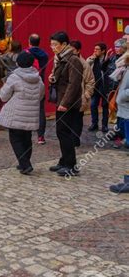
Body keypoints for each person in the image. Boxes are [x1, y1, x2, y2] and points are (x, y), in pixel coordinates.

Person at [0, 51, 44, 174]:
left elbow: (3, 96)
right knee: (26, 138)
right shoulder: (38, 78)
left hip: (16, 114)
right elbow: (40, 95)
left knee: (15, 139)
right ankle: (24, 162)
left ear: (18, 63)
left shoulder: (14, 77)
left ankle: (25, 164)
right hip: (31, 113)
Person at [49, 31, 83, 177]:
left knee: (64, 132)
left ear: (64, 45)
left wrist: (65, 103)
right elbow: (64, 79)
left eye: (55, 44)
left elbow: (74, 84)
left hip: (68, 103)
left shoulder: (73, 59)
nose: (52, 47)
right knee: (61, 131)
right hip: (62, 101)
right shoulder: (61, 58)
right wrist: (53, 78)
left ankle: (71, 165)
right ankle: (64, 161)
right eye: (51, 44)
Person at [69, 40, 95, 146]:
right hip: (67, 96)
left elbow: (90, 81)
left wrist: (87, 94)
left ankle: (75, 140)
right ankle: (69, 140)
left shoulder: (84, 64)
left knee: (77, 119)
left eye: (73, 50)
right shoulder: (65, 61)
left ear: (78, 50)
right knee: (67, 120)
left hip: (80, 97)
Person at [27, 34, 49, 145]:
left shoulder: (25, 53)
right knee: (41, 110)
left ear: (29, 42)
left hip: (27, 85)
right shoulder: (45, 55)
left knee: (26, 109)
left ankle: (26, 135)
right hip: (40, 83)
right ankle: (41, 136)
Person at [87, 43, 111, 133]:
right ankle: (94, 123)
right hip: (95, 87)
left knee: (105, 106)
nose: (95, 51)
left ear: (103, 51)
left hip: (105, 87)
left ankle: (104, 125)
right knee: (93, 105)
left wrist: (106, 60)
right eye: (94, 49)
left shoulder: (108, 59)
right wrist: (91, 59)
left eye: (97, 49)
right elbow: (86, 65)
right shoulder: (93, 59)